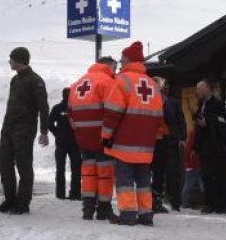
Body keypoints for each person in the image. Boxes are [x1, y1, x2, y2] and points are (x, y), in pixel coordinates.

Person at [102, 41, 163, 226]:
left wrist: (106, 136)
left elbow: (113, 112)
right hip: (146, 145)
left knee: (125, 180)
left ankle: (128, 214)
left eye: (122, 58)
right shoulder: (152, 84)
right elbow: (159, 115)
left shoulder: (122, 80)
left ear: (128, 59)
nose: (120, 61)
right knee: (144, 181)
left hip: (124, 143)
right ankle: (146, 215)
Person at [0, 47, 50, 215]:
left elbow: (43, 107)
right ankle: (10, 200)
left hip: (25, 129)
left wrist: (44, 131)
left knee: (23, 165)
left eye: (11, 58)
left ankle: (23, 203)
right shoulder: (15, 80)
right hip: (9, 128)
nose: (9, 61)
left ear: (19, 60)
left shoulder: (35, 80)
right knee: (4, 164)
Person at [68, 57, 117, 221]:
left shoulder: (78, 83)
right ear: (108, 66)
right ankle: (104, 209)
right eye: (114, 68)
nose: (114, 72)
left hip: (83, 138)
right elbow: (113, 111)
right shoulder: (107, 82)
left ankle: (87, 209)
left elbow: (70, 114)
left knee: (88, 174)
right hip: (102, 137)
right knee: (105, 173)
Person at [193, 79, 226, 214]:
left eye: (200, 88)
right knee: (206, 176)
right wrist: (195, 147)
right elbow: (198, 129)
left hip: (216, 147)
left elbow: (224, 122)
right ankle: (210, 203)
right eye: (197, 89)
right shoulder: (201, 105)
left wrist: (207, 123)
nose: (198, 91)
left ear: (208, 88)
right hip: (204, 147)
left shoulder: (218, 105)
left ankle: (221, 205)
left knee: (218, 175)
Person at [48, 88, 81, 200]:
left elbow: (49, 123)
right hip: (74, 143)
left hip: (62, 143)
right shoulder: (77, 108)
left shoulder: (57, 108)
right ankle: (75, 194)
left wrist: (57, 133)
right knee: (76, 169)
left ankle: (60, 194)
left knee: (60, 168)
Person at [163, 83, 187, 212]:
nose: (165, 90)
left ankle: (175, 202)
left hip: (171, 141)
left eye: (167, 88)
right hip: (159, 141)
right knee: (159, 172)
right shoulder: (154, 101)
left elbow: (181, 120)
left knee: (173, 173)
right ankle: (159, 199)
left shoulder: (173, 103)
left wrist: (182, 138)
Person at [150, 77, 171, 214]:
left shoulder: (165, 101)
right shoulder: (161, 100)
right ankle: (153, 201)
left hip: (159, 139)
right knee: (155, 172)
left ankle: (155, 200)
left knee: (157, 172)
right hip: (155, 139)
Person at [181, 127, 204, 207]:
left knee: (188, 185)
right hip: (201, 162)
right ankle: (207, 203)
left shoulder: (193, 132)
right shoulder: (202, 132)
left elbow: (188, 147)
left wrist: (186, 161)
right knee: (203, 185)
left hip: (192, 163)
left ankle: (183, 202)